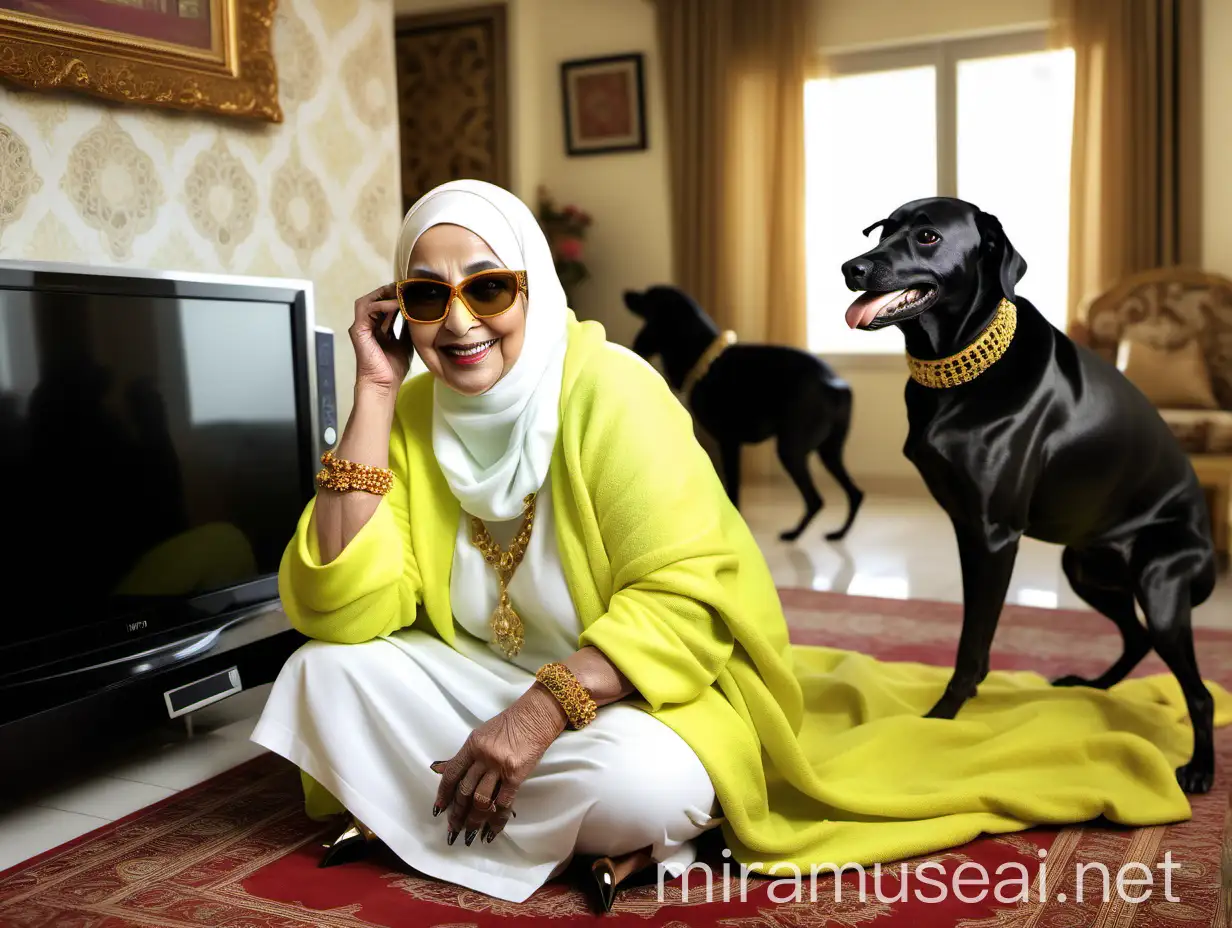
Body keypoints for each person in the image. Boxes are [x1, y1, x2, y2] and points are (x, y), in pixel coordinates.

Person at [252, 180, 1220, 912]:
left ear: (533, 289)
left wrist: (537, 715)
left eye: (488, 288)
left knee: (638, 784)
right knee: (317, 674)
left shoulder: (612, 389)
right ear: (401, 309)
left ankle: (455, 815)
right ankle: (541, 830)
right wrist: (373, 394)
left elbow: (686, 597)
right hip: (479, 674)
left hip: (635, 691)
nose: (457, 321)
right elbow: (345, 608)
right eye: (427, 297)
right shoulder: (412, 409)